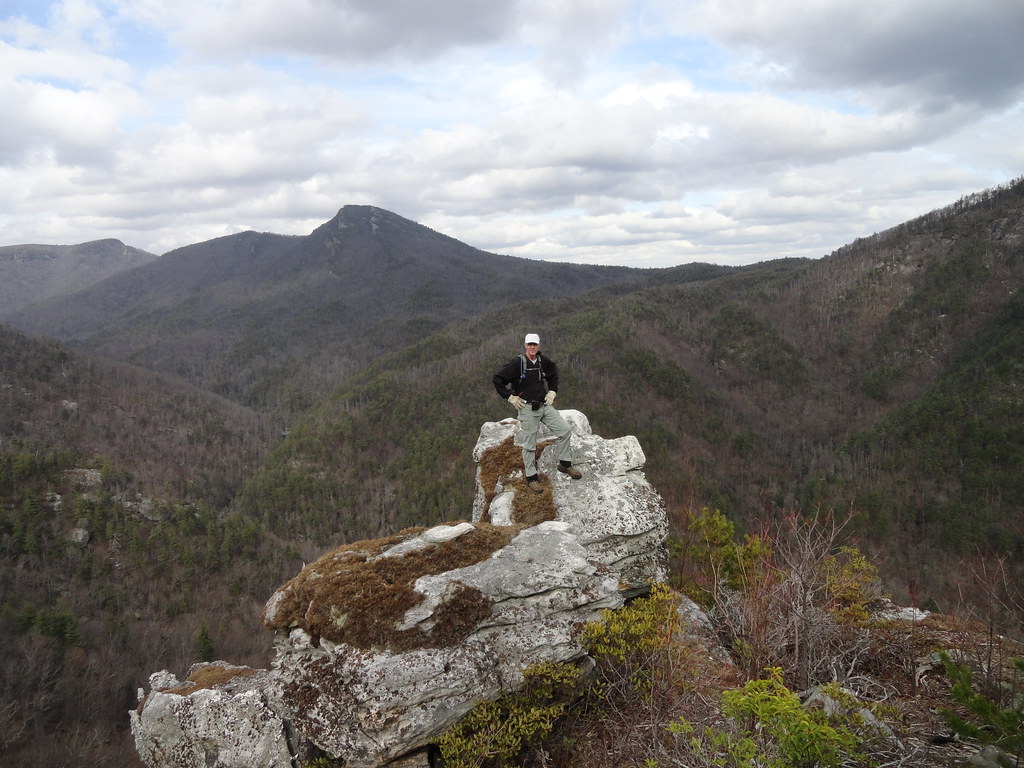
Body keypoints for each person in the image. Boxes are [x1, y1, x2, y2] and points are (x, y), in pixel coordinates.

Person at [492, 333, 582, 493]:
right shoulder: (518, 363)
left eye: (535, 344)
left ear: (538, 346)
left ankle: (565, 464)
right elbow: (497, 378)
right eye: (530, 344)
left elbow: (553, 374)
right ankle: (531, 478)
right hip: (526, 408)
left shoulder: (542, 361)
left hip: (543, 405)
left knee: (565, 431)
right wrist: (509, 397)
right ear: (525, 345)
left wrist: (552, 391)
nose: (532, 347)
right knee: (529, 445)